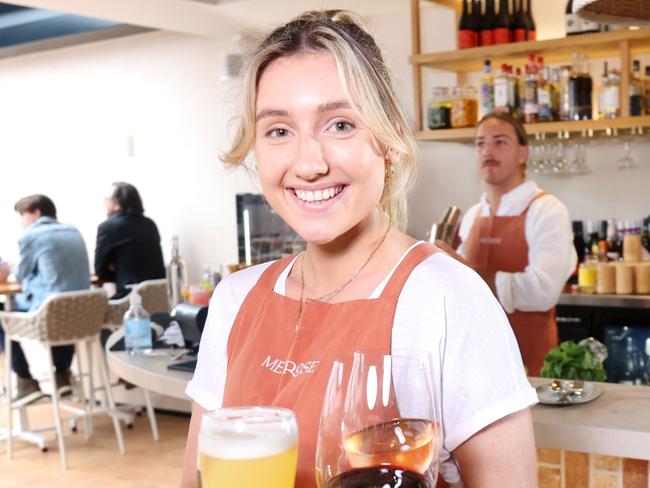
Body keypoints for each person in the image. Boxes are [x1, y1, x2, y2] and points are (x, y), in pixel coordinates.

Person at [182, 11, 538, 488]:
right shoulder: (235, 299)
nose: (308, 164)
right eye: (279, 131)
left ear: (389, 137)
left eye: (340, 125)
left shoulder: (447, 301)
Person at [437, 112, 577, 377]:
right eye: (480, 143)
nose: (488, 150)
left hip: (531, 364)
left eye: (499, 142)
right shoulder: (473, 215)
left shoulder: (546, 210)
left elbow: (542, 292)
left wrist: (466, 273)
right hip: (477, 365)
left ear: (523, 153)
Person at [0, 194, 90, 405]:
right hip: (82, 316)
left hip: (49, 317)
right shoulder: (73, 231)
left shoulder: (31, 236)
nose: (22, 222)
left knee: (3, 317)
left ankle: (25, 381)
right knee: (62, 310)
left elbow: (20, 274)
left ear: (36, 213)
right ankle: (62, 374)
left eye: (23, 216)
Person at [94, 182, 166, 299]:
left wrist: (117, 270)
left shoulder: (108, 227)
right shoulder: (150, 224)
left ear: (118, 203)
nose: (105, 203)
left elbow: (100, 271)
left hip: (129, 299)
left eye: (107, 199)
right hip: (158, 298)